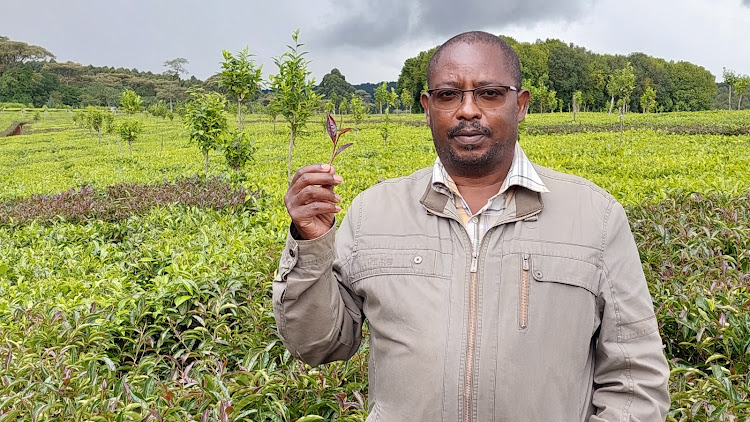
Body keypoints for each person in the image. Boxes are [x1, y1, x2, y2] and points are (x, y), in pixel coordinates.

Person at [273, 31, 670, 421]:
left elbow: (636, 379)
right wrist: (310, 242)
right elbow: (318, 344)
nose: (467, 110)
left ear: (521, 105)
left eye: (489, 93)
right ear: (428, 108)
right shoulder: (373, 213)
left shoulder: (594, 217)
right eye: (448, 95)